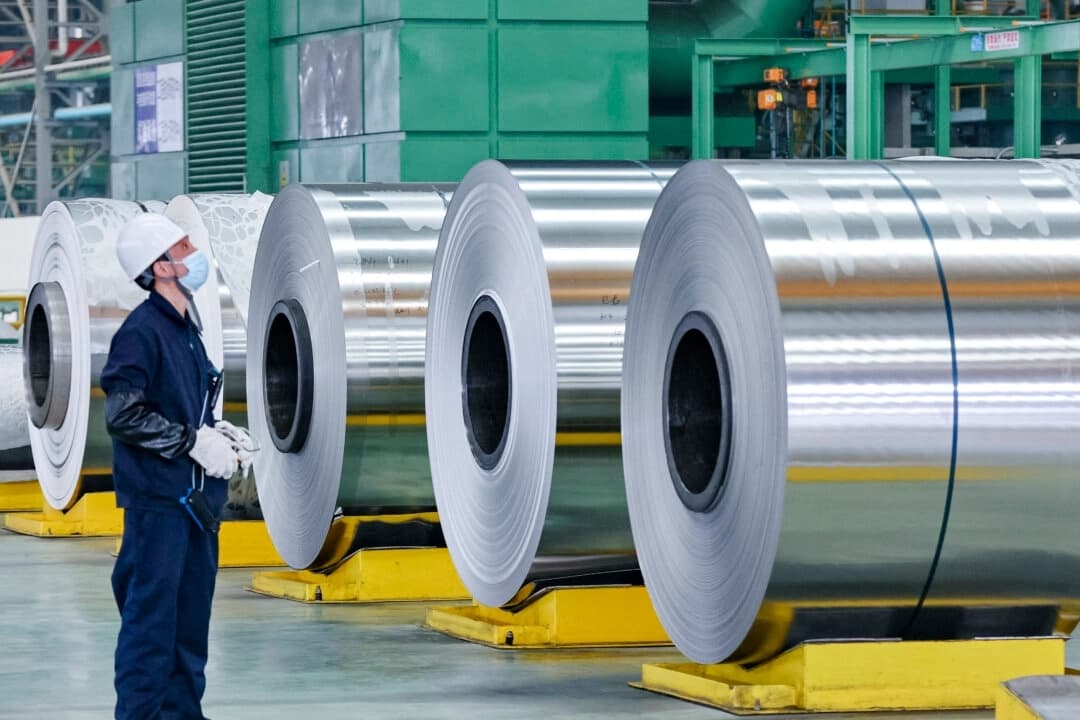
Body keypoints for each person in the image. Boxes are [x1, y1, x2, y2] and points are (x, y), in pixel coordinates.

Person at [102, 213, 253, 720]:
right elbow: (123, 414)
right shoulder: (141, 332)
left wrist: (216, 430)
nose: (194, 254)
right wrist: (189, 441)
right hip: (159, 507)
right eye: (184, 246)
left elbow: (182, 404)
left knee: (189, 631)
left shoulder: (187, 328)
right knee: (151, 633)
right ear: (161, 267)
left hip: (194, 506)